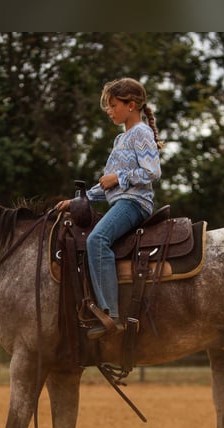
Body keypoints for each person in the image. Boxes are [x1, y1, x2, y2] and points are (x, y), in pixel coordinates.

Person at [56, 77, 163, 339]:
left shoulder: (140, 132)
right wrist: (79, 201)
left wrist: (119, 178)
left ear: (132, 104)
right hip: (120, 200)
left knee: (97, 239)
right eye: (108, 106)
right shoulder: (120, 139)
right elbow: (106, 185)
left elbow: (152, 171)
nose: (109, 110)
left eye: (113, 105)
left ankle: (110, 314)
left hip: (134, 203)